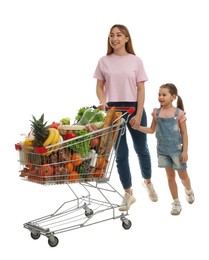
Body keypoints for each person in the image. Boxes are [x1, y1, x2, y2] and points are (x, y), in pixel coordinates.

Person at [93, 24, 158, 211]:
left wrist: (138, 114)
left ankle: (148, 181)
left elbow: (141, 89)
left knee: (141, 148)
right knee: (121, 154)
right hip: (113, 111)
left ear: (127, 38)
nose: (115, 38)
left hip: (134, 108)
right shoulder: (104, 61)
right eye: (111, 35)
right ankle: (128, 193)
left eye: (119, 35)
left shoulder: (136, 61)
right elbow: (100, 86)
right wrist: (102, 100)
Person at [132, 83, 195, 215]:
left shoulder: (178, 113)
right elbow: (151, 129)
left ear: (173, 96)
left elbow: (184, 134)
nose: (160, 97)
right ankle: (176, 202)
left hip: (177, 150)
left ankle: (188, 190)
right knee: (170, 176)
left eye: (164, 94)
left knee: (183, 177)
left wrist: (185, 151)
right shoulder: (157, 113)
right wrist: (138, 127)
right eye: (159, 94)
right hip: (163, 151)